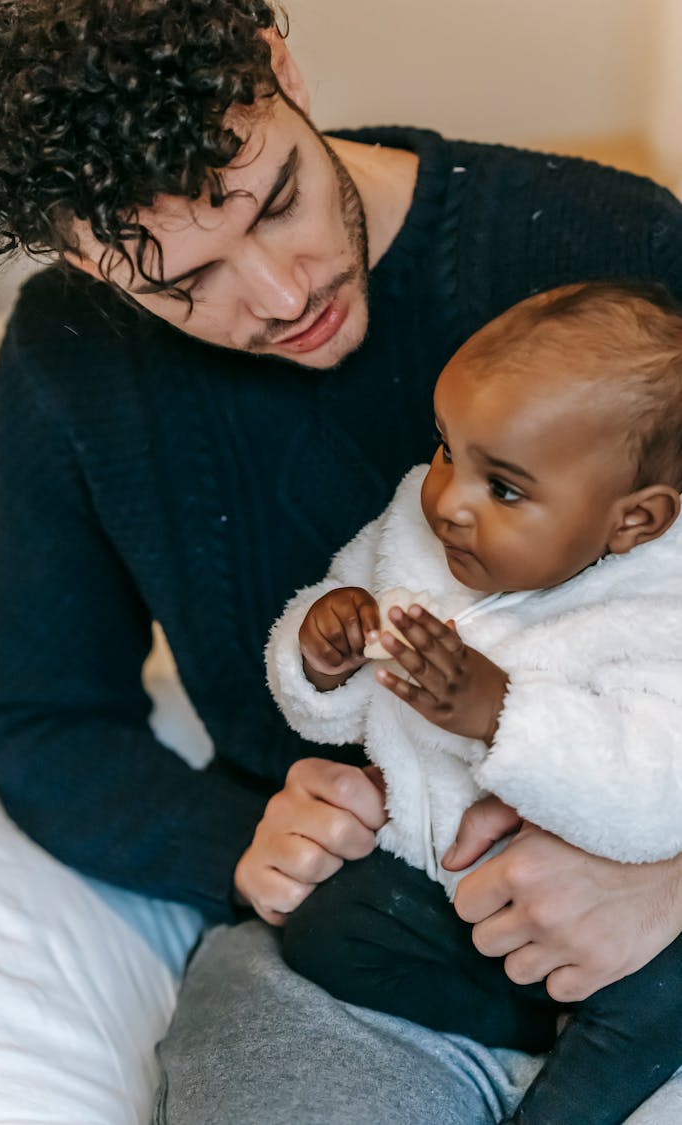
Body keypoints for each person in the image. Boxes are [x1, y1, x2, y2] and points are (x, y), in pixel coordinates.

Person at [0, 1, 682, 1121]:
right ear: (81, 256)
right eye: (184, 282)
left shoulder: (604, 243)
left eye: (276, 199)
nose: (283, 298)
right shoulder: (67, 368)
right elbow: (50, 724)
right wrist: (248, 846)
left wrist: (668, 880)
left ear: (281, 67)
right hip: (357, 948)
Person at [267, 280, 682, 1125]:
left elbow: (654, 791)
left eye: (505, 488)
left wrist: (502, 714)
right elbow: (344, 693)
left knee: (650, 1004)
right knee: (325, 929)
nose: (449, 498)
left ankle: (577, 1066)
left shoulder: (657, 608)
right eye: (448, 447)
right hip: (453, 887)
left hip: (623, 926)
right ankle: (531, 1024)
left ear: (633, 521)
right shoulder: (418, 532)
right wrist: (321, 651)